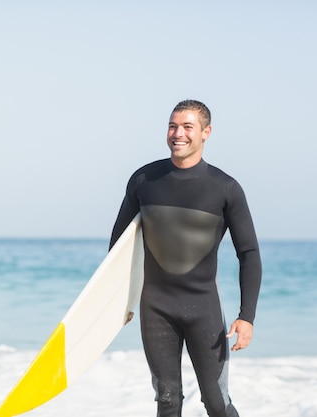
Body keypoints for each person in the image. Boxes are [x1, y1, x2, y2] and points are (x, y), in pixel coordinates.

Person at [109, 100, 261, 417]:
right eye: (173, 125)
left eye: (187, 126)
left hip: (203, 307)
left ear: (206, 132)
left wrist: (246, 316)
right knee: (166, 400)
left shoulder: (225, 188)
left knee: (216, 401)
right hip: (156, 308)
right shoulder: (144, 180)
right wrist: (118, 301)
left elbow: (248, 254)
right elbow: (119, 245)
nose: (178, 134)